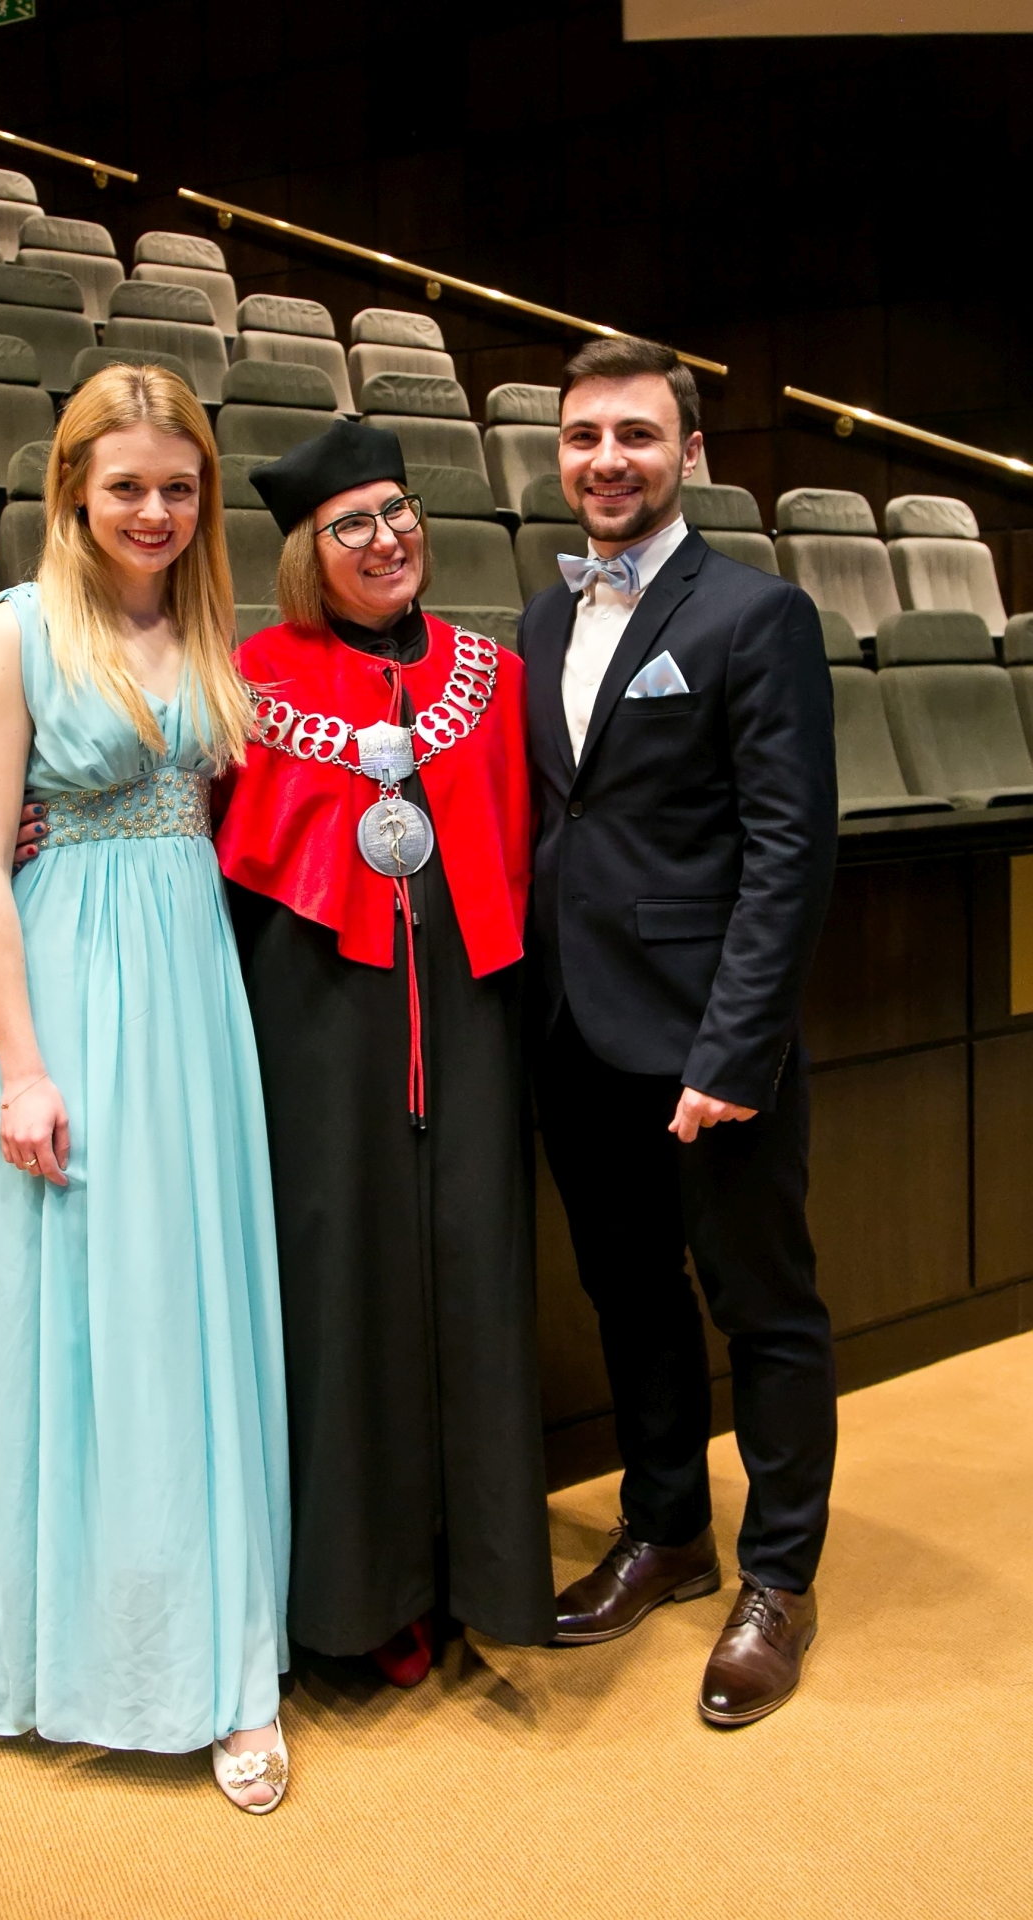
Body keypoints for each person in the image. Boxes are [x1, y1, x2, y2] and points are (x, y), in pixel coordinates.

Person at [0, 364, 293, 1814]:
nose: (154, 511)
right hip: (63, 991)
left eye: (178, 488)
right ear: (72, 485)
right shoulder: (16, 630)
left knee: (188, 1319)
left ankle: (226, 1673)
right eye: (126, 484)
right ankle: (69, 1664)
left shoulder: (206, 626)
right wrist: (22, 1070)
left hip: (190, 988)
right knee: (83, 1325)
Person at [520, 336, 838, 1727]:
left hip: (711, 1045)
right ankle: (665, 1533)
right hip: (574, 1032)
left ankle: (778, 1577)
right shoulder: (539, 620)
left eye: (636, 436)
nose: (608, 461)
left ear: (689, 452)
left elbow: (789, 851)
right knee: (630, 1297)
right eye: (584, 437)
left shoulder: (756, 616)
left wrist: (734, 1049)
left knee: (762, 1306)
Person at [214, 420, 555, 1679]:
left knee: (474, 1272)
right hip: (317, 1025)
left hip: (468, 1020)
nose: (384, 538)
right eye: (349, 523)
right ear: (306, 550)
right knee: (339, 1281)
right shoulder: (248, 680)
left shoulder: (490, 675)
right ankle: (362, 1601)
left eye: (397, 511)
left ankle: (483, 1580)